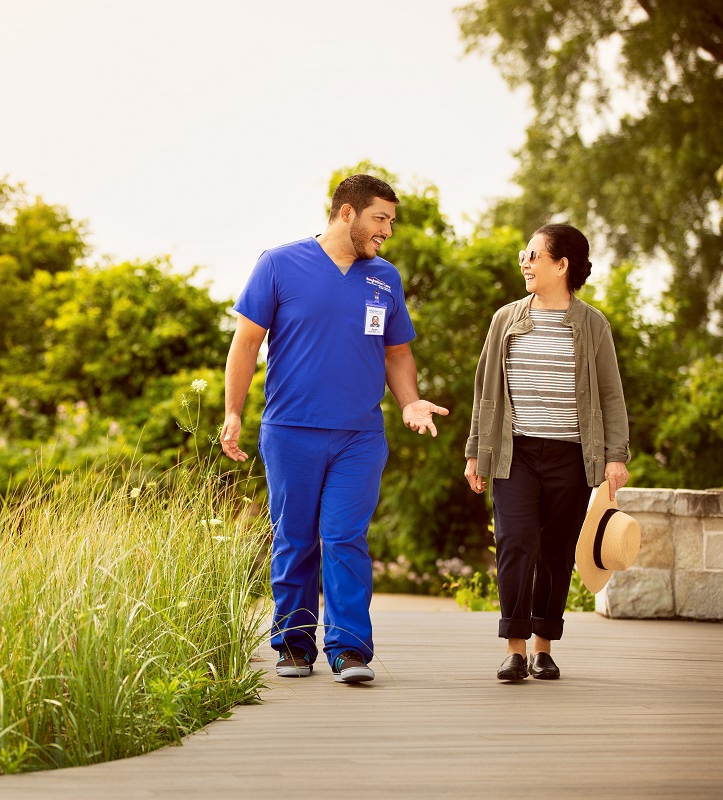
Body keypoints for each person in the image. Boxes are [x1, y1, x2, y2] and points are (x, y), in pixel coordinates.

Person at [221, 174, 449, 682]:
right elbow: (246, 343)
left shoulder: (384, 278)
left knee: (345, 538)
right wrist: (234, 410)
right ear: (347, 213)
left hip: (359, 436)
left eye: (391, 221)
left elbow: (397, 353)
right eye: (380, 218)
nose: (387, 230)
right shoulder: (278, 264)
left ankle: (349, 649)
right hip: (290, 430)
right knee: (294, 539)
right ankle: (294, 645)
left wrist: (410, 402)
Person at [463, 223, 630, 681]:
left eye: (534, 255)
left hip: (571, 456)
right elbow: (485, 393)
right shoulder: (507, 320)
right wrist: (476, 450)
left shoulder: (593, 325)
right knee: (516, 543)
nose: (525, 262)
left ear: (562, 265)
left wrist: (616, 455)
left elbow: (612, 395)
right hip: (514, 454)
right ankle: (514, 648)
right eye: (525, 254)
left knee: (556, 551)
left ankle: (543, 646)